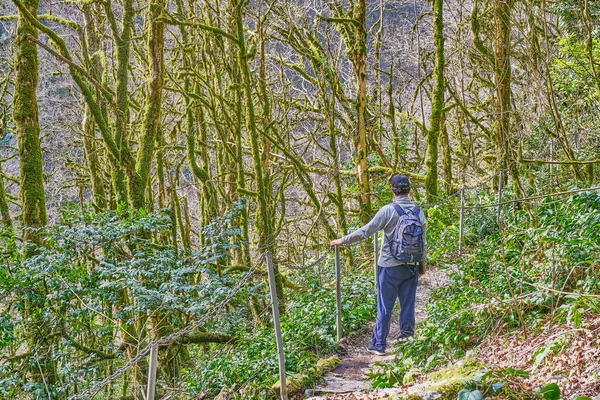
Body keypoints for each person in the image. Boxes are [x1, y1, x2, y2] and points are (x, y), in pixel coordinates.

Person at [330, 174, 426, 356]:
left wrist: (343, 240)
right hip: (411, 266)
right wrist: (422, 265)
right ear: (409, 190)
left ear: (393, 190)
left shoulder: (388, 211)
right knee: (408, 305)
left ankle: (379, 345)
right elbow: (423, 242)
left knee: (385, 306)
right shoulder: (418, 211)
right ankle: (407, 343)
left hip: (389, 266)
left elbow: (366, 231)